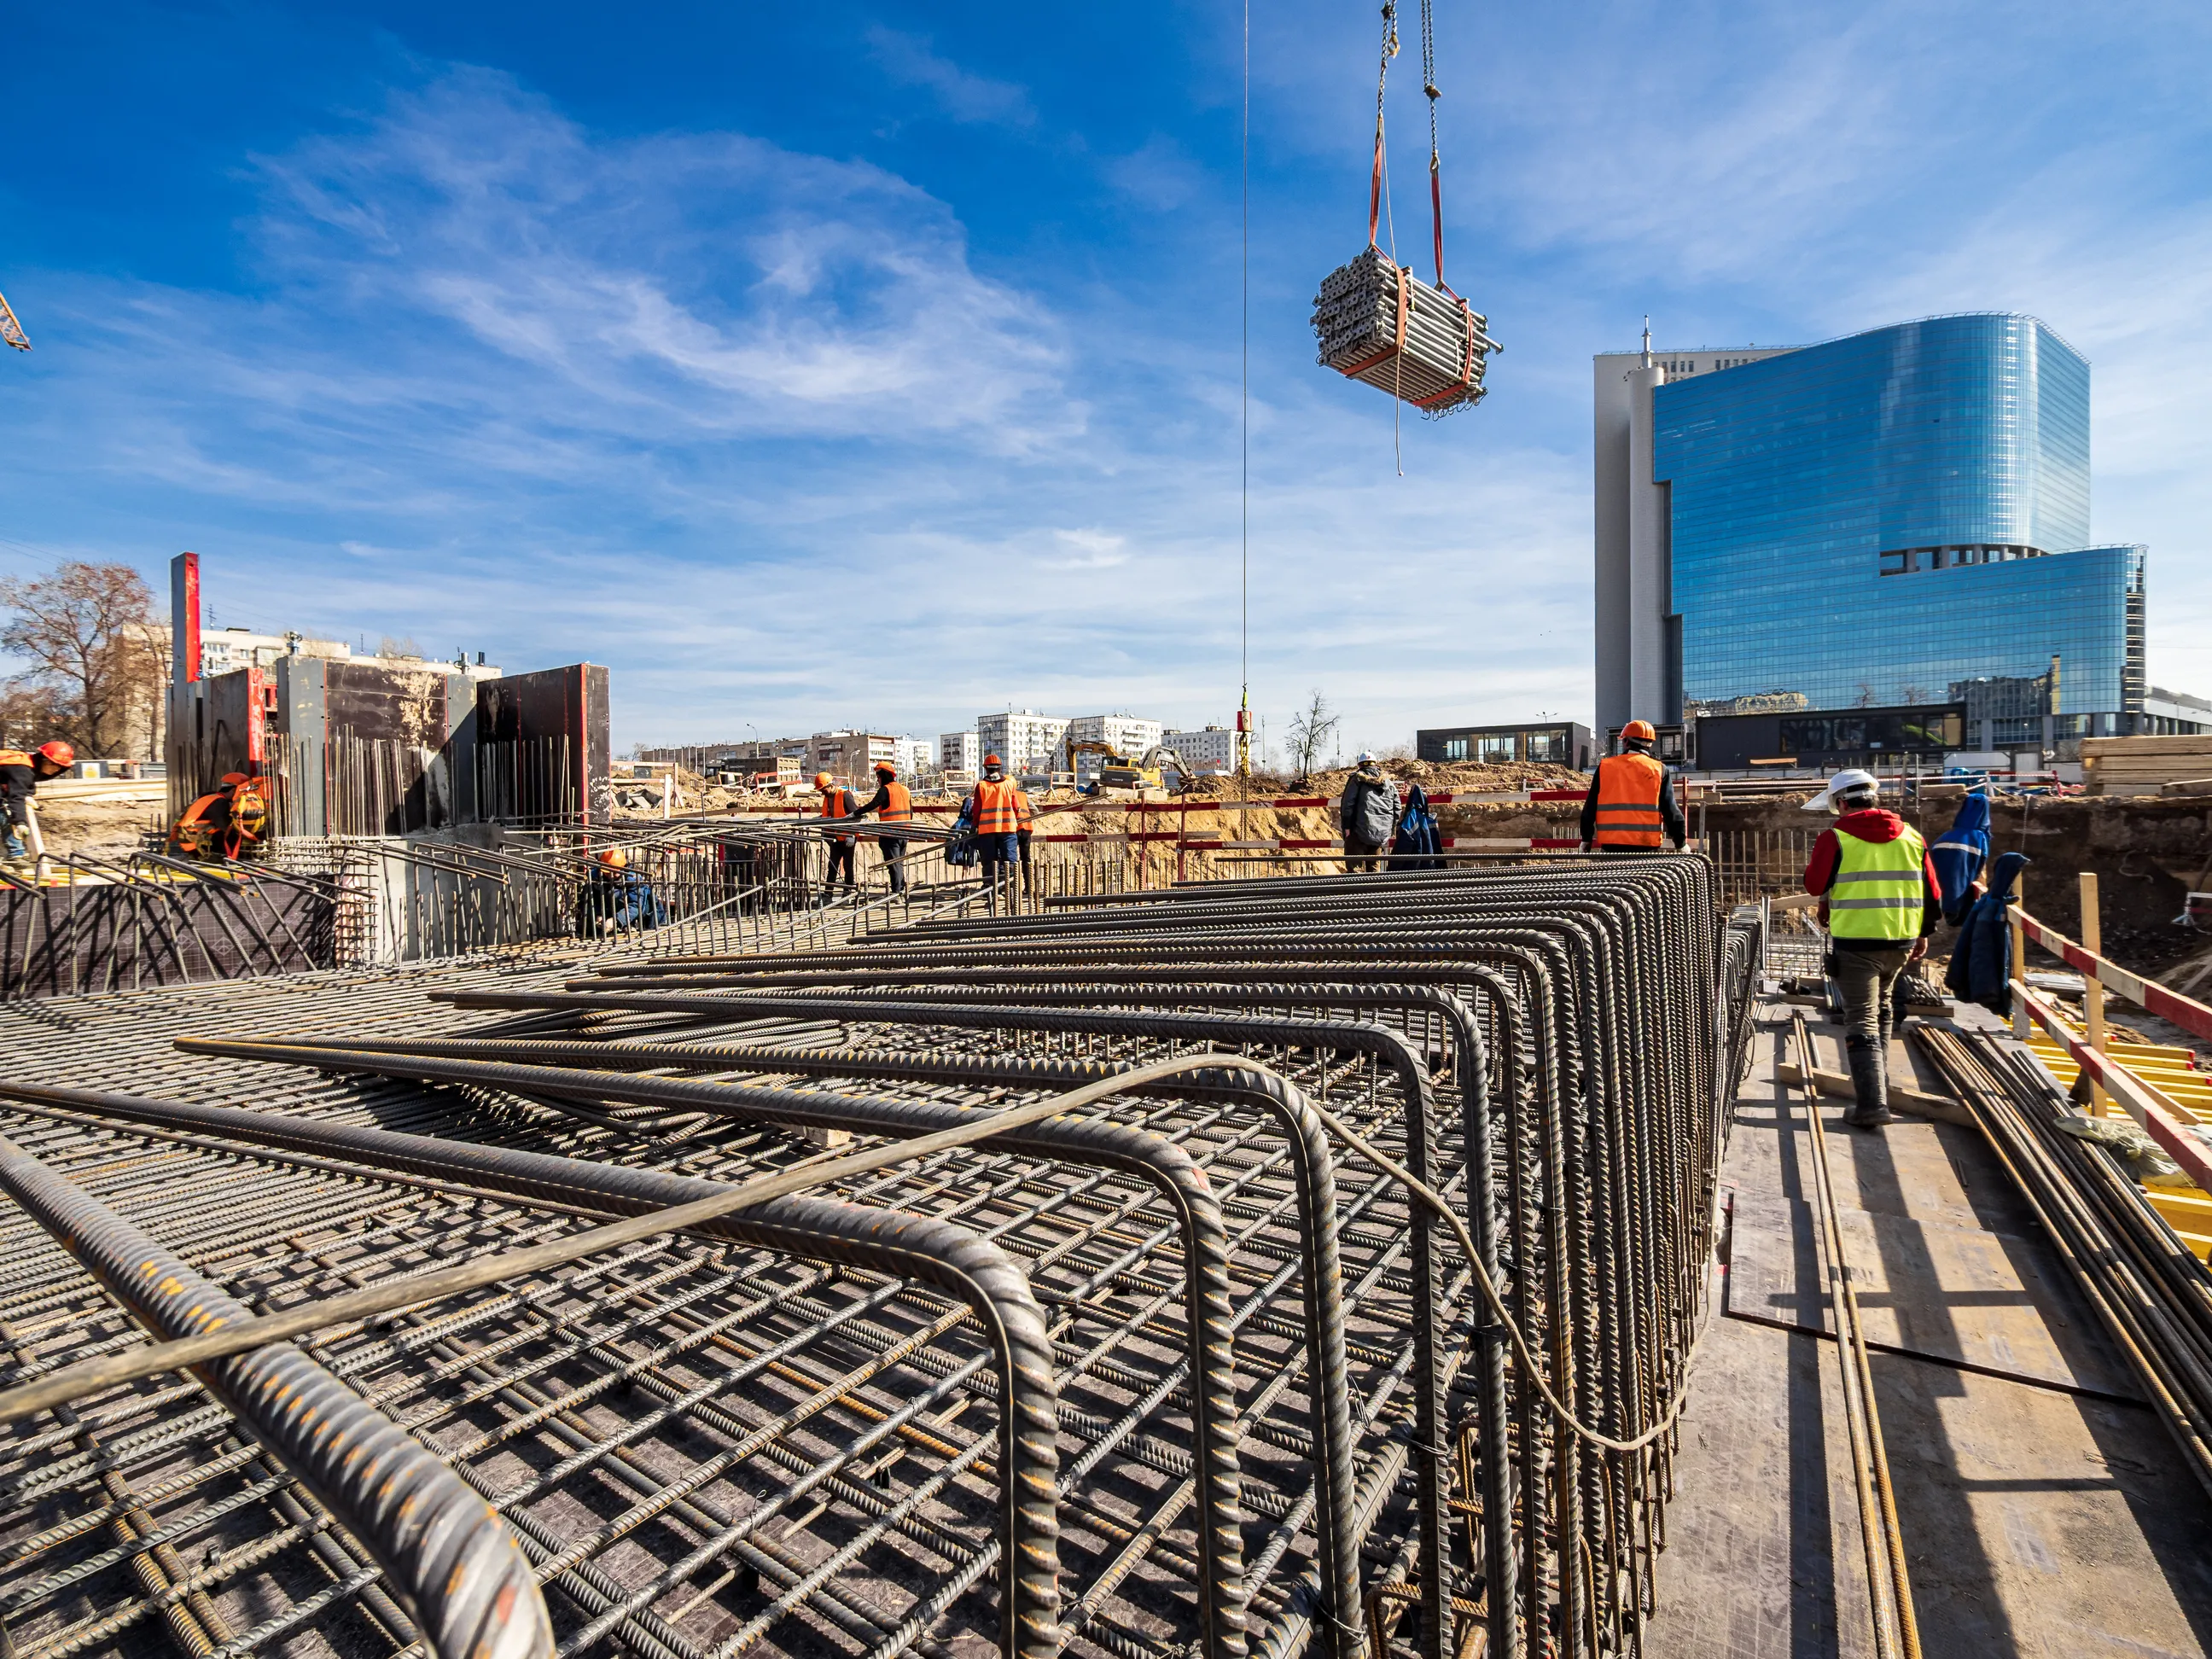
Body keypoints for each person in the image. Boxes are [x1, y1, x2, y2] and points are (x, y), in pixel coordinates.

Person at [1802, 768, 1942, 1129]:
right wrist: (1923, 932)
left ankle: (1872, 1103)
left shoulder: (1836, 837)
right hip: (1900, 940)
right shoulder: (1912, 836)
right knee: (1881, 1009)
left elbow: (1815, 882)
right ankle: (1878, 1087)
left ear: (1842, 802)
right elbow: (1931, 892)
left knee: (1860, 1017)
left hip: (1856, 942)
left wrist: (1828, 893)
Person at [1579, 720, 1685, 852]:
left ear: (1627, 742)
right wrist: (1680, 842)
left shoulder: (1606, 767)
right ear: (1650, 744)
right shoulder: (1659, 769)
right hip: (1646, 847)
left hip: (1612, 846)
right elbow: (1670, 810)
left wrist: (1586, 839)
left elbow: (1590, 806)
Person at [0, 741, 73, 864]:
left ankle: (15, 855)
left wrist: (29, 795)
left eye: (59, 767)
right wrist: (20, 822)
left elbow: (26, 783)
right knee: (5, 814)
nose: (56, 769)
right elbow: (16, 797)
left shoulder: (30, 765)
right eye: (53, 764)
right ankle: (15, 854)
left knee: (7, 812)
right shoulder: (22, 769)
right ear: (44, 760)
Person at [1930, 789, 1993, 924]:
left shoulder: (1945, 836)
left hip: (1938, 898)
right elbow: (1980, 868)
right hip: (1961, 901)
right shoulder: (1979, 837)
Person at [853, 761, 913, 895]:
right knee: (899, 863)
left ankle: (897, 893)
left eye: (878, 777)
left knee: (893, 864)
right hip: (905, 833)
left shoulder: (886, 789)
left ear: (884, 776)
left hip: (890, 833)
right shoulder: (905, 790)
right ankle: (901, 889)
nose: (878, 780)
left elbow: (873, 804)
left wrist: (855, 813)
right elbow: (911, 812)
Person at [965, 754, 1022, 892]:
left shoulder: (981, 786)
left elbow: (977, 809)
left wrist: (975, 826)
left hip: (987, 831)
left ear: (986, 769)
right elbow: (1016, 806)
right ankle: (1010, 887)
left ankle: (990, 889)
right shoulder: (1009, 784)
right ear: (999, 768)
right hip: (1008, 829)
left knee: (989, 861)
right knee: (1009, 860)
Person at [1339, 754, 1400, 873]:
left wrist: (1347, 827)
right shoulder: (1388, 782)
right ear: (1375, 764)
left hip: (1358, 832)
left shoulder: (1357, 779)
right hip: (1379, 834)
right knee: (1374, 871)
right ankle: (1373, 891)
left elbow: (1347, 805)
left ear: (1359, 765)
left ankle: (1357, 891)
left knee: (1354, 870)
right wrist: (1389, 830)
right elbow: (1397, 807)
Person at [586, 847, 666, 933]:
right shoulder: (595, 875)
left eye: (614, 873)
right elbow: (589, 899)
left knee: (615, 893)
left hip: (649, 914)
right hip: (614, 912)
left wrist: (616, 920)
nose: (610, 875)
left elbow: (636, 905)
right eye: (607, 872)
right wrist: (598, 914)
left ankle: (627, 925)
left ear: (622, 868)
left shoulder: (632, 879)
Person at [814, 771, 860, 896]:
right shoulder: (828, 797)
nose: (822, 792)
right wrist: (818, 819)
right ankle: (828, 893)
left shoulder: (844, 795)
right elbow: (830, 815)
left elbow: (856, 815)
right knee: (832, 865)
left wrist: (852, 834)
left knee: (847, 866)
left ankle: (848, 892)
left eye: (823, 789)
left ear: (830, 785)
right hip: (834, 838)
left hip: (847, 838)